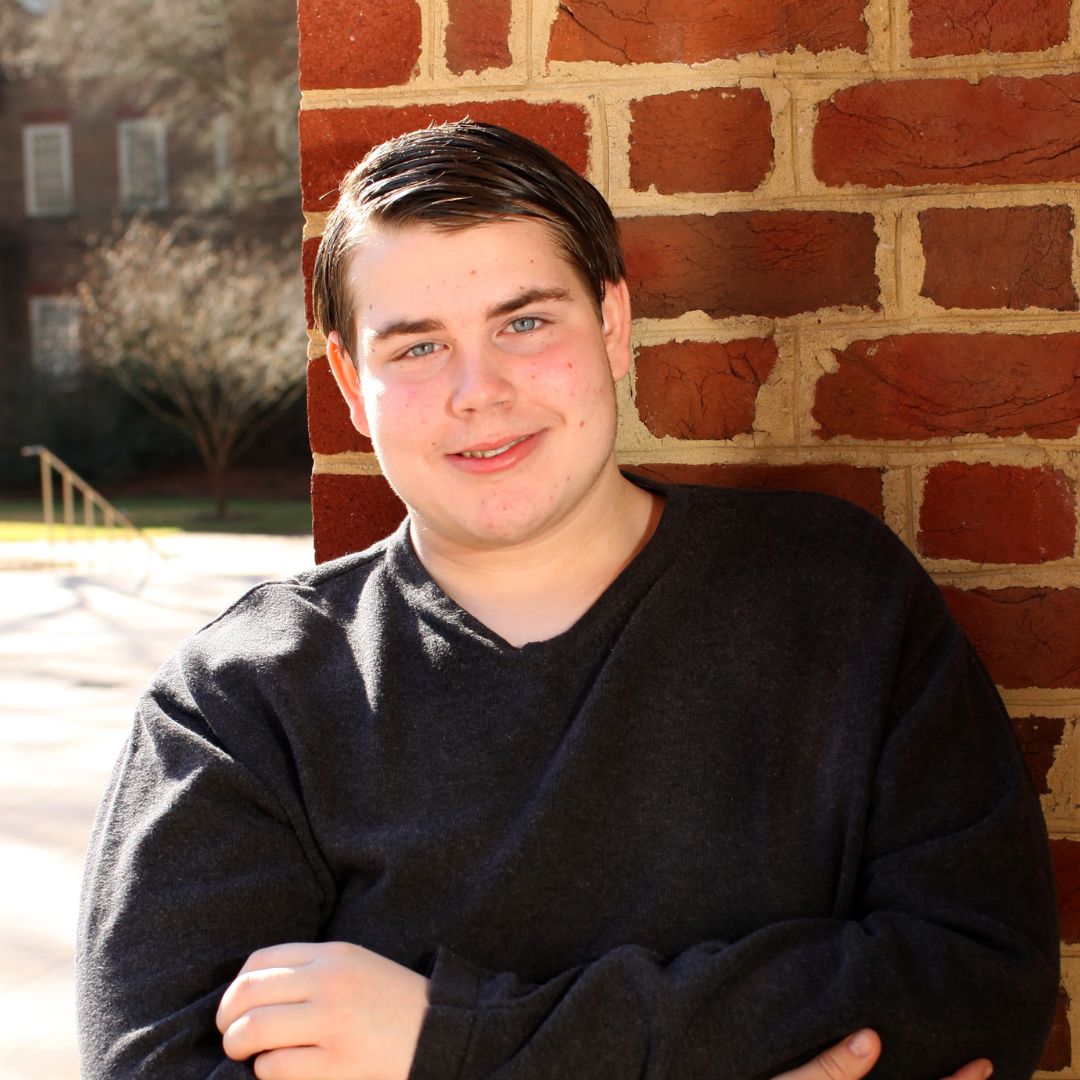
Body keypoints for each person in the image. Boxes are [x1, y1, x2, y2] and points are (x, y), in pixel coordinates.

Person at [76, 121, 1058, 1080]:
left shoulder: (836, 600)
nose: (479, 389)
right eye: (416, 348)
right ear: (347, 379)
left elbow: (977, 990)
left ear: (615, 326)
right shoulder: (241, 705)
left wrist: (450, 1039)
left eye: (526, 322)